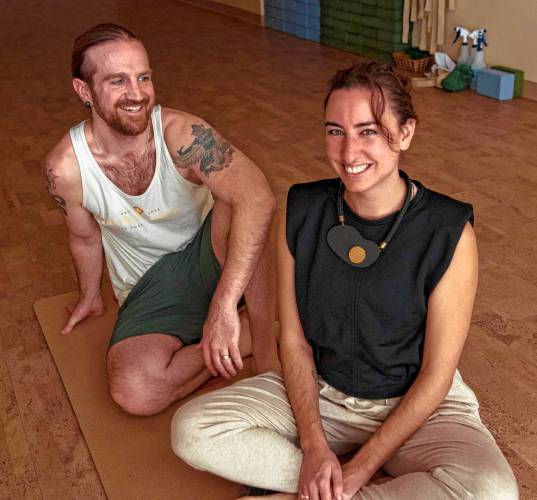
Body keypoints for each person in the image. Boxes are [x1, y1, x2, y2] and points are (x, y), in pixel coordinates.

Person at [171, 62, 518, 499]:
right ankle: (326, 481)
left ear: (406, 133)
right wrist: (314, 447)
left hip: (419, 408)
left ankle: (333, 489)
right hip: (322, 391)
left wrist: (360, 469)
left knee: (493, 490)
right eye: (335, 131)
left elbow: (436, 376)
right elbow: (294, 342)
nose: (349, 152)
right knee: (193, 430)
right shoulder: (301, 211)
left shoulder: (449, 231)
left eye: (368, 131)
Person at [43, 23, 279, 417]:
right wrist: (90, 295)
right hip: (149, 287)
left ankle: (266, 354)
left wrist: (221, 306)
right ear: (84, 91)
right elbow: (84, 239)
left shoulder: (181, 133)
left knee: (244, 202)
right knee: (136, 392)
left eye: (143, 77)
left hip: (213, 254)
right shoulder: (66, 168)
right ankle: (253, 332)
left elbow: (259, 198)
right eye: (118, 81)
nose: (137, 94)